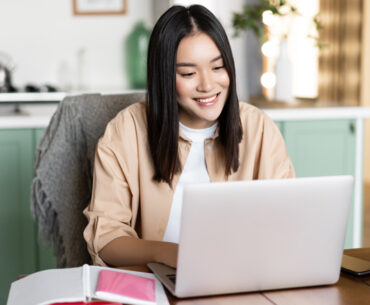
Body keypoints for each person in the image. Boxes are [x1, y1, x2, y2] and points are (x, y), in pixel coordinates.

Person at [83, 4, 295, 268]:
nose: (208, 85)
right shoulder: (126, 131)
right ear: (164, 77)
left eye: (218, 67)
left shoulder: (259, 128)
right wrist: (170, 254)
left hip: (244, 279)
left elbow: (286, 224)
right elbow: (106, 239)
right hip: (157, 283)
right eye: (188, 73)